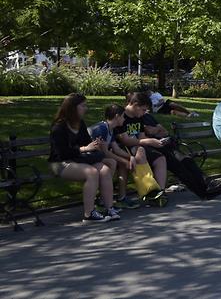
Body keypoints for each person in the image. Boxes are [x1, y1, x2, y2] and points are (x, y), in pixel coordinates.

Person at [48, 93, 119, 223]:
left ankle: (109, 208)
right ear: (73, 108)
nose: (86, 108)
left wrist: (96, 144)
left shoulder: (80, 123)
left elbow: (86, 142)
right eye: (83, 106)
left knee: (104, 170)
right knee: (91, 172)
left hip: (78, 159)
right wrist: (85, 149)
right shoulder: (59, 127)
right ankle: (89, 214)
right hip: (60, 163)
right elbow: (62, 153)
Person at [114, 92, 169, 195]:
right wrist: (148, 141)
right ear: (135, 105)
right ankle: (148, 190)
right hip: (123, 148)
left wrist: (154, 142)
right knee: (141, 151)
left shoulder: (138, 116)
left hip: (137, 145)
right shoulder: (121, 116)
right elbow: (125, 140)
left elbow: (141, 137)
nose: (144, 113)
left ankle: (160, 192)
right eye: (143, 109)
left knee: (160, 158)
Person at [91, 104, 141, 209]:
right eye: (123, 116)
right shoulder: (102, 128)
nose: (124, 119)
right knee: (112, 162)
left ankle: (108, 199)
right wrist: (124, 161)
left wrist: (130, 157)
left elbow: (116, 149)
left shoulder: (111, 129)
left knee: (114, 163)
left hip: (98, 156)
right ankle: (101, 200)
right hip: (90, 157)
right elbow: (105, 152)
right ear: (117, 116)